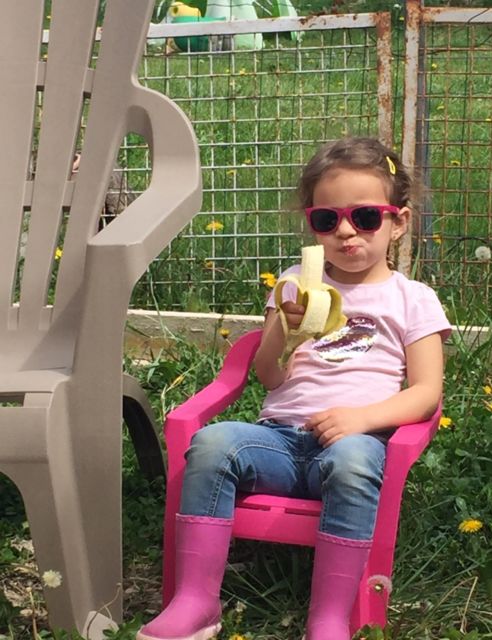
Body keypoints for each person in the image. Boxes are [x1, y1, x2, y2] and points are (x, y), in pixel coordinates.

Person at [137, 137, 451, 640]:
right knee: (213, 442)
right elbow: (269, 374)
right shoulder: (293, 284)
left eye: (365, 217)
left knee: (352, 460)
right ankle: (196, 601)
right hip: (279, 442)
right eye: (327, 219)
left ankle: (328, 619)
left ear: (399, 222)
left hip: (355, 444)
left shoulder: (413, 299)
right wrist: (285, 328)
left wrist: (362, 419)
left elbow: (426, 392)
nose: (345, 232)